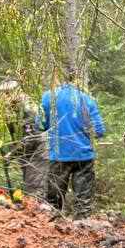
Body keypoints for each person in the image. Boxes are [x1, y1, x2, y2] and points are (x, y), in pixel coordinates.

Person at [41, 73, 106, 217]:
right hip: (84, 157)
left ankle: (52, 228)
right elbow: (99, 131)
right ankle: (82, 228)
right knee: (83, 204)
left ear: (57, 77)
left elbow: (40, 124)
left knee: (53, 204)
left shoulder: (48, 97)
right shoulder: (87, 99)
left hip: (58, 156)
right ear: (76, 79)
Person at [0, 79, 48, 197]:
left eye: (7, 94)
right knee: (28, 188)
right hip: (27, 154)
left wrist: (11, 154)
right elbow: (17, 136)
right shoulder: (12, 108)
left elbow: (31, 138)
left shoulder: (27, 108)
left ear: (15, 92)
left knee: (34, 190)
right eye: (4, 94)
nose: (4, 97)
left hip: (39, 151)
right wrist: (7, 149)